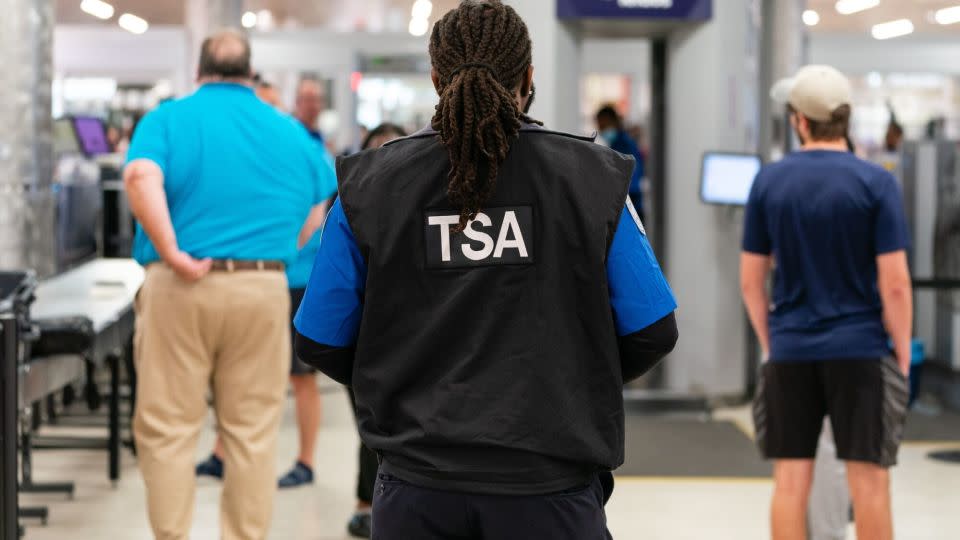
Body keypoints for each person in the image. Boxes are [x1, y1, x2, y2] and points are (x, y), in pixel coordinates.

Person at [293, 2, 679, 539]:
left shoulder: (369, 186)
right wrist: (569, 380)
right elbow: (653, 330)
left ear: (434, 79)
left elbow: (319, 338)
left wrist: (401, 383)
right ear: (528, 77)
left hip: (417, 488)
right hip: (551, 488)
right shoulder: (594, 179)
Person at [125, 29, 336, 540]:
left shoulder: (168, 119)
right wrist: (281, 245)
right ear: (249, 73)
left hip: (180, 285)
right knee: (252, 433)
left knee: (170, 430)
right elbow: (320, 206)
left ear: (198, 71)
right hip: (262, 289)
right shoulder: (290, 132)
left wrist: (172, 248)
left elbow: (139, 178)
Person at [741, 65, 912, 540]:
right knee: (871, 483)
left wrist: (772, 341)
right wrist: (899, 351)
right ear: (846, 120)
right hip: (861, 349)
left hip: (792, 349)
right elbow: (895, 283)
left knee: (791, 482)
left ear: (799, 121)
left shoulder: (769, 182)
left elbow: (752, 282)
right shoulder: (876, 183)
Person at [194, 76, 338, 491]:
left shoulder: (304, 146)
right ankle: (222, 453)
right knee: (233, 370)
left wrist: (285, 248)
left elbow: (322, 205)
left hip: (293, 276)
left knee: (300, 375)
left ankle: (306, 461)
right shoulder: (256, 146)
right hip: (256, 277)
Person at [343, 122, 408, 539]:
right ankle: (367, 501)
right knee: (373, 429)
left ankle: (371, 501)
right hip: (368, 343)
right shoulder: (351, 205)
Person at [596, 105, 646, 221]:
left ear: (613, 121)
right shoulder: (616, 144)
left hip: (631, 206)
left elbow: (632, 180)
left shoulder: (625, 144)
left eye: (603, 126)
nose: (601, 130)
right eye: (600, 126)